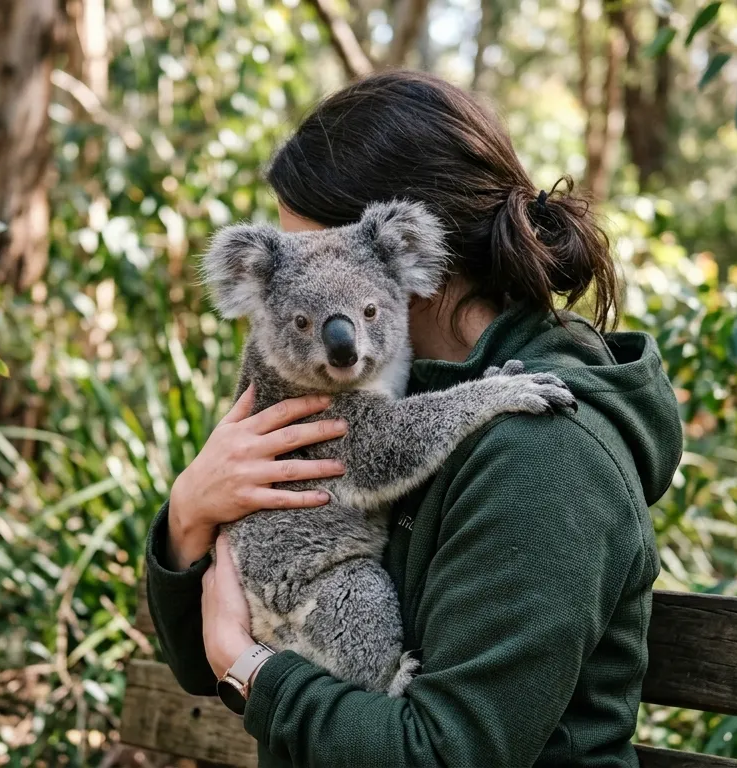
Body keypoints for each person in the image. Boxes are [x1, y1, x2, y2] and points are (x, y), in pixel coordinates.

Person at [143, 70, 683, 767]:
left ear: (402, 256)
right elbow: (201, 662)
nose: (296, 277)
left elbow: (445, 753)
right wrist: (190, 514)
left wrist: (251, 671)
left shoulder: (545, 456)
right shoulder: (360, 393)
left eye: (315, 248)